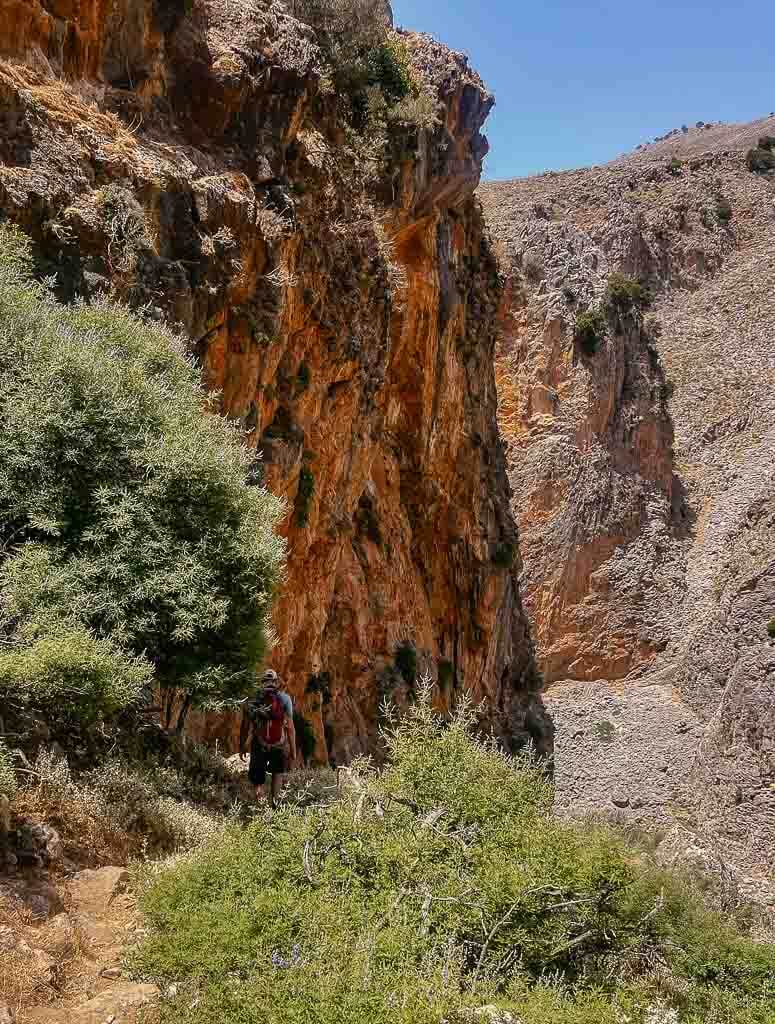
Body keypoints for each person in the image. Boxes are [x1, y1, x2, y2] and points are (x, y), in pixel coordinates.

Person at [239, 669, 297, 807]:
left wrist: (242, 746)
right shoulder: (285, 698)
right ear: (276, 682)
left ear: (262, 682)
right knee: (277, 774)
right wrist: (293, 750)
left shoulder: (253, 699)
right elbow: (290, 727)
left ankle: (260, 806)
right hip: (279, 743)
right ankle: (275, 806)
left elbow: (245, 725)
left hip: (259, 742)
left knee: (257, 779)